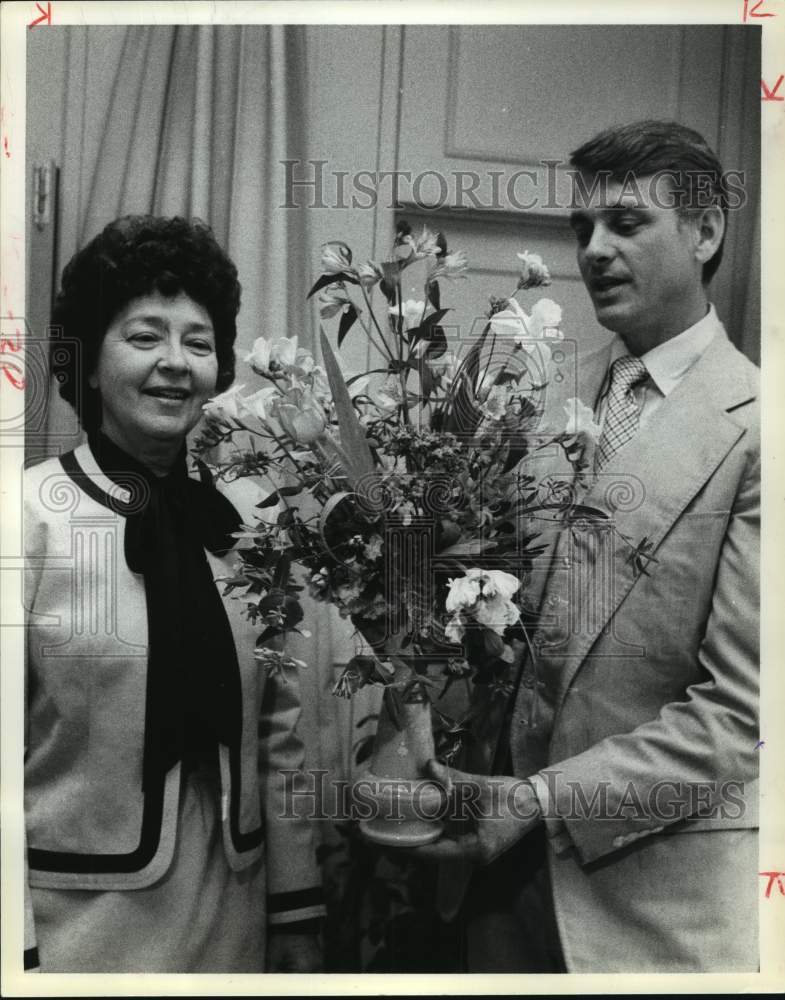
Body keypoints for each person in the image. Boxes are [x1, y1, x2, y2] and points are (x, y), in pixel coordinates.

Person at [413, 120, 760, 973]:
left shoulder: (759, 429)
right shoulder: (540, 399)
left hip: (649, 915)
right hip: (496, 892)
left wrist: (539, 800)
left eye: (626, 224)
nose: (594, 250)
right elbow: (490, 625)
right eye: (582, 230)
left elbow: (741, 719)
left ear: (705, 231)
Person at [23, 215, 324, 973]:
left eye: (198, 342)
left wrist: (296, 911)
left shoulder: (253, 520)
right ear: (89, 364)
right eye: (144, 337)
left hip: (233, 911)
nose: (174, 364)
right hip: (70, 925)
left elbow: (282, 736)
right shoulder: (24, 519)